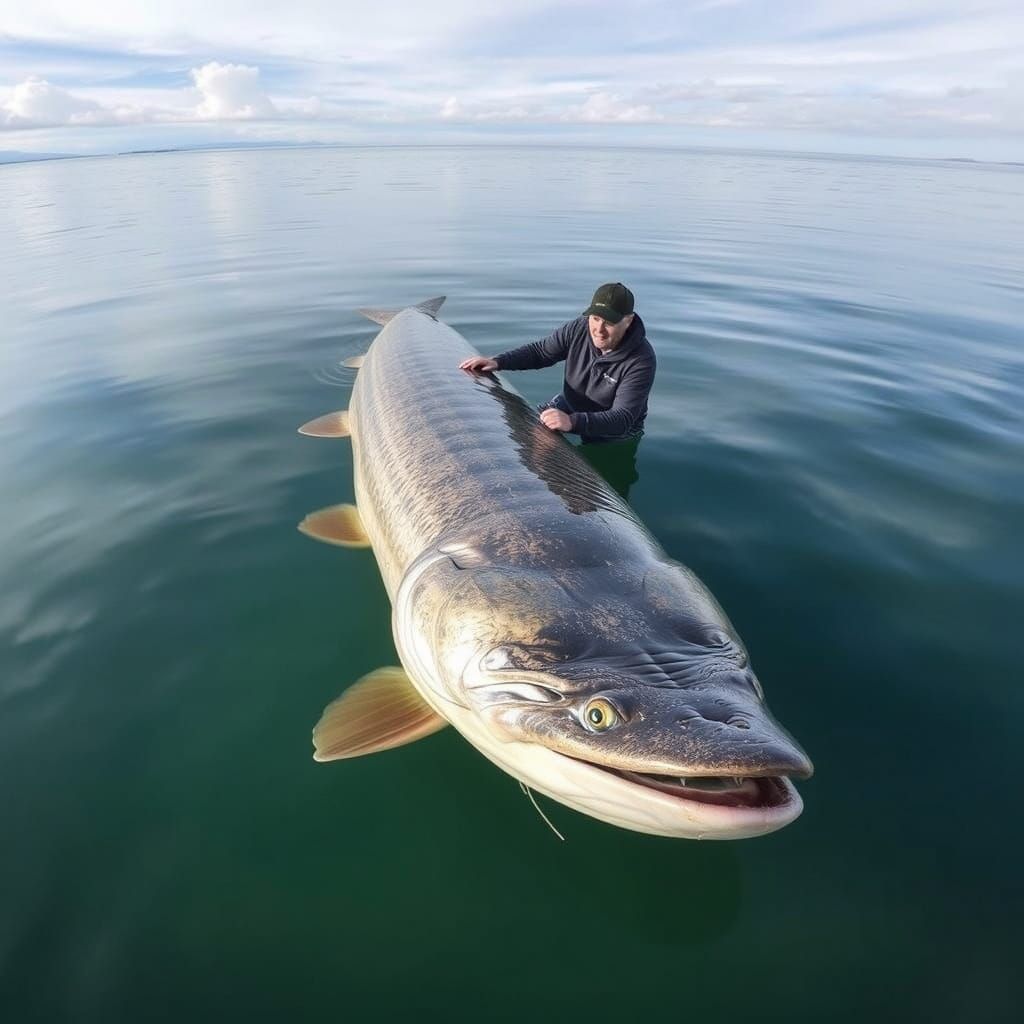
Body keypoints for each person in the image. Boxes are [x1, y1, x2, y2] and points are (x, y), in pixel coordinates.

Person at [459, 282, 656, 443]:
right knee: (526, 437)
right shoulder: (579, 328)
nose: (599, 329)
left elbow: (622, 418)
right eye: (595, 318)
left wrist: (572, 422)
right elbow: (541, 352)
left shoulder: (641, 360)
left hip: (613, 430)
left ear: (628, 321)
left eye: (610, 323)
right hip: (570, 403)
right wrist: (498, 361)